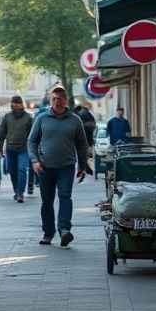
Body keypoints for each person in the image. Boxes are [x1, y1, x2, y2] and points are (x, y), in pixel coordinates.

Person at [27, 85, 89, 247]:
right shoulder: (42, 118)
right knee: (47, 202)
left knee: (65, 195)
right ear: (50, 100)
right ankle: (48, 233)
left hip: (66, 167)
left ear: (66, 100)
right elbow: (32, 141)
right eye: (53, 98)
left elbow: (82, 144)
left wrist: (82, 165)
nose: (56, 102)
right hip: (45, 167)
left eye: (59, 99)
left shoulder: (75, 120)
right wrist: (35, 160)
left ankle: (64, 230)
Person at [0, 95, 35, 203]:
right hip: (10, 149)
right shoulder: (7, 117)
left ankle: (20, 193)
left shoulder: (29, 117)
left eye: (17, 103)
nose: (15, 105)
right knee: (12, 170)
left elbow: (33, 134)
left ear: (22, 104)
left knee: (21, 169)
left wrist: (33, 149)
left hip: (24, 149)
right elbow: (1, 132)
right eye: (13, 103)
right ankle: (16, 190)